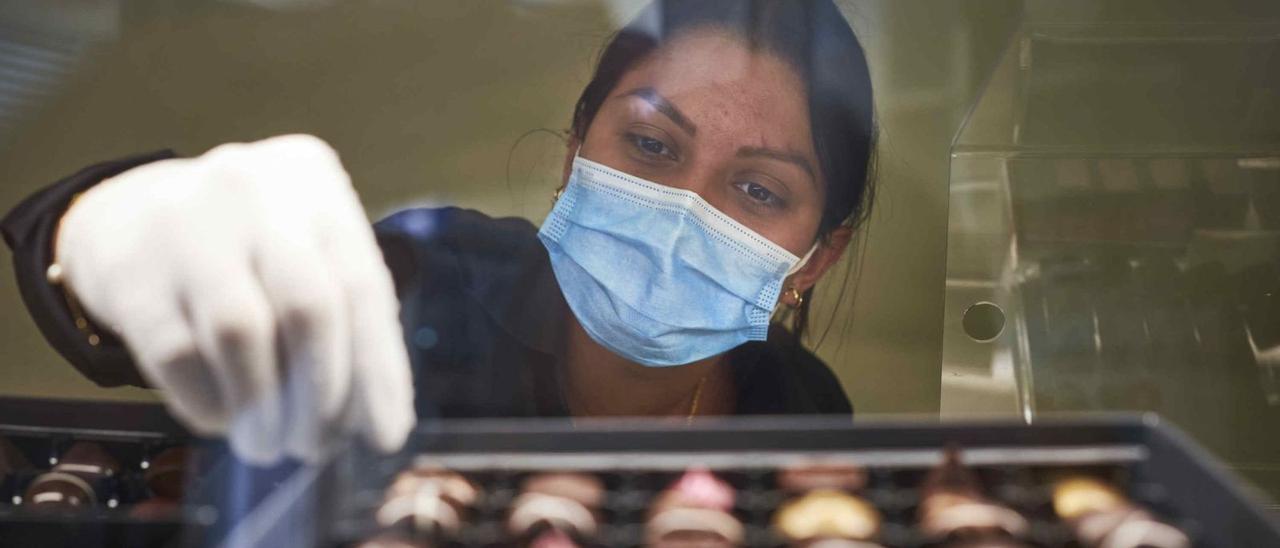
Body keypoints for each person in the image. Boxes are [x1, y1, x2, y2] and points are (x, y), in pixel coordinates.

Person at [2, 0, 876, 464]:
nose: (686, 211)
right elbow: (216, 309)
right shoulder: (443, 276)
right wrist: (108, 228)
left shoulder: (801, 406)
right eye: (649, 145)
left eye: (758, 190)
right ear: (575, 160)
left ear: (814, 259)